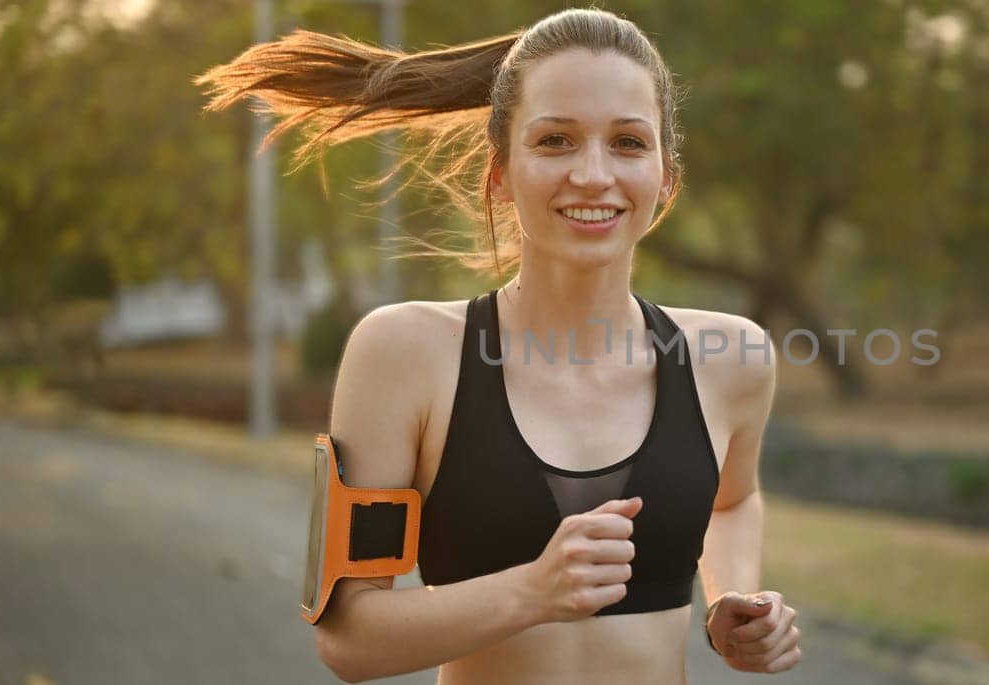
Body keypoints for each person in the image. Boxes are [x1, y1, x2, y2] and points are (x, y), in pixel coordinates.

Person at [196, 8, 801, 684]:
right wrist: (531, 592)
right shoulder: (405, 354)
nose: (594, 174)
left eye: (629, 142)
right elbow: (348, 639)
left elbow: (732, 499)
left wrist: (729, 603)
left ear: (666, 178)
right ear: (500, 172)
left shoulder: (730, 357)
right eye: (556, 141)